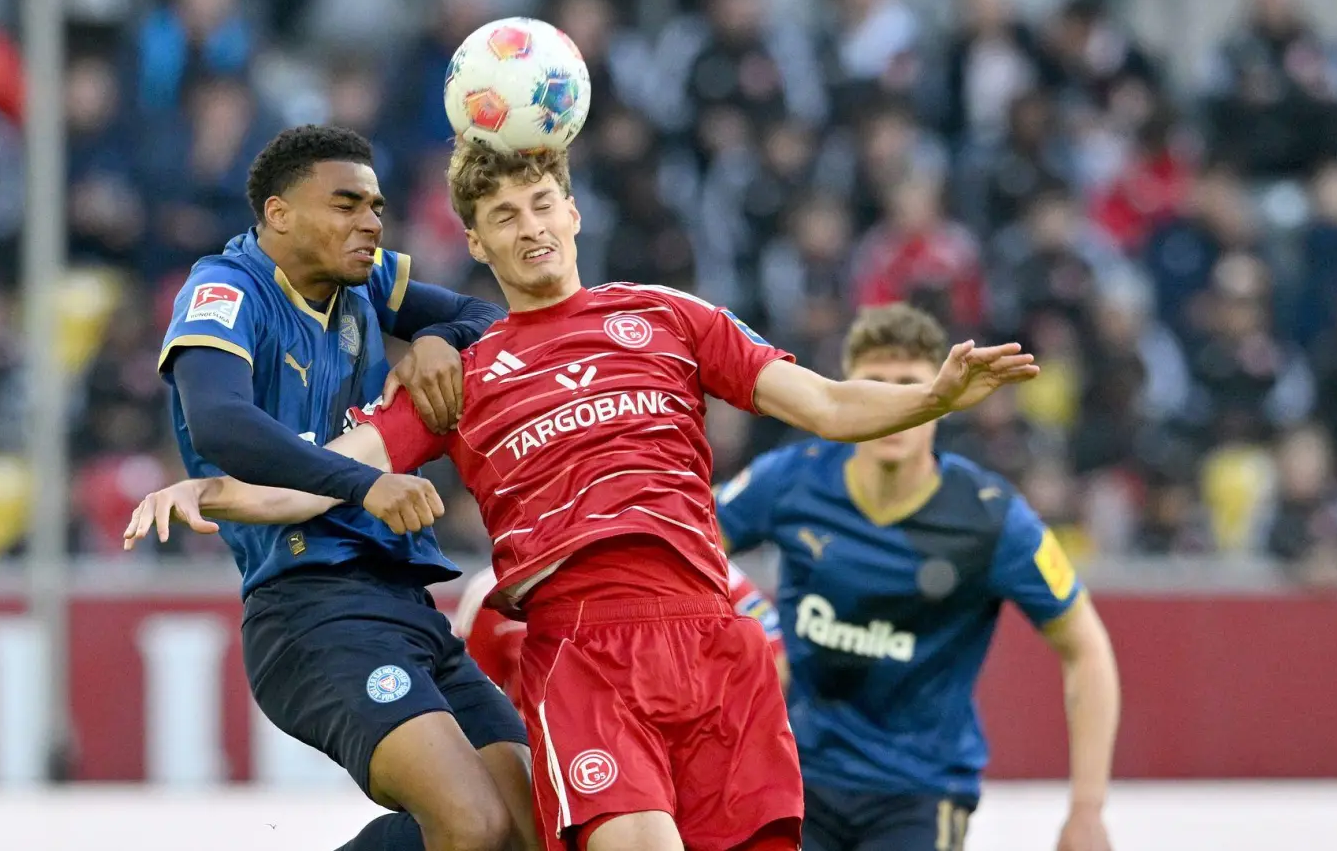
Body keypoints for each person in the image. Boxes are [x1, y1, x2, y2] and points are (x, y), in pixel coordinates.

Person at [126, 142, 1038, 851]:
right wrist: (212, 491)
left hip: (717, 642)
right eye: (501, 217)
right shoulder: (465, 377)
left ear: (572, 210)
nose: (528, 228)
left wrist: (932, 398)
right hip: (585, 655)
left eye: (539, 205)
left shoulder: (672, 317)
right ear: (475, 243)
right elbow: (334, 474)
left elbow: (829, 404)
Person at [157, 124, 536, 851]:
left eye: (377, 208)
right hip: (310, 609)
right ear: (278, 214)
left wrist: (435, 340)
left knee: (530, 832)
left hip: (405, 606)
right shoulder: (225, 289)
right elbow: (221, 423)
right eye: (346, 204)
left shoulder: (366, 283)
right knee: (472, 825)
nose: (369, 222)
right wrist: (365, 484)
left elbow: (486, 318)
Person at [715, 303, 1121, 851]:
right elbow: (685, 546)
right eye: (873, 385)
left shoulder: (990, 518)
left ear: (941, 399)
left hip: (920, 791)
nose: (889, 401)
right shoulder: (792, 477)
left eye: (907, 385)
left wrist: (1087, 811)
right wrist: (756, 620)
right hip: (795, 774)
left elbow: (1086, 649)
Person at [451, 560, 786, 710]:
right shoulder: (493, 592)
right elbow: (473, 703)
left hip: (687, 772)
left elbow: (774, 667)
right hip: (540, 778)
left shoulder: (719, 575)